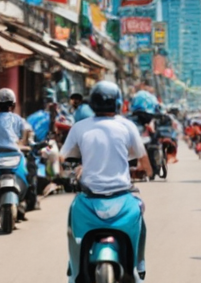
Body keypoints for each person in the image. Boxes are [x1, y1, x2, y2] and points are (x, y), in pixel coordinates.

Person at [61, 80, 149, 272]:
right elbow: (145, 163)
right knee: (140, 216)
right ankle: (139, 264)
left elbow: (62, 157)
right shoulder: (128, 126)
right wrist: (143, 171)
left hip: (89, 198)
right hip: (122, 196)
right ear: (118, 103)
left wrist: (63, 171)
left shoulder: (79, 127)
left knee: (72, 218)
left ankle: (74, 268)